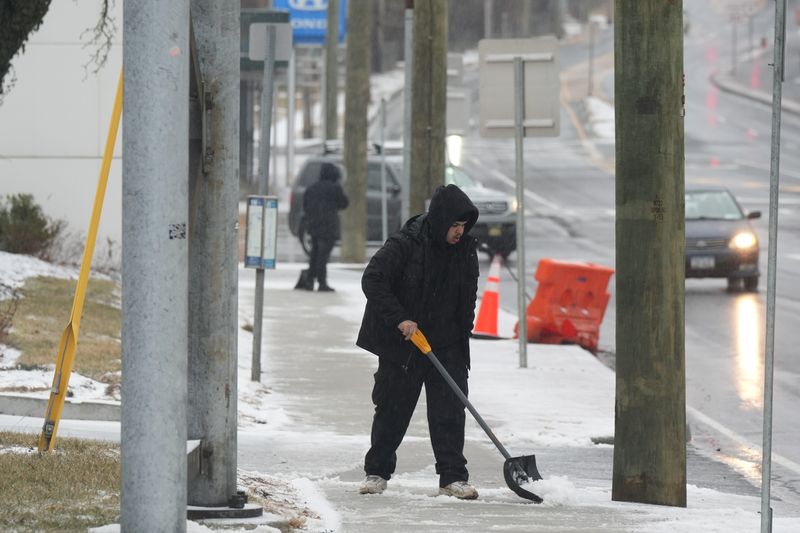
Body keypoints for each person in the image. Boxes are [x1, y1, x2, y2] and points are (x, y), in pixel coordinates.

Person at [356, 184, 480, 500]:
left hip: (448, 343)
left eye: (463, 226)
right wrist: (400, 318)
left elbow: (469, 292)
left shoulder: (465, 249)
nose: (459, 232)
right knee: (392, 409)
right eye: (454, 225)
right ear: (440, 222)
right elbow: (373, 279)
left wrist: (465, 326)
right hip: (406, 344)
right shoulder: (405, 244)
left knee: (450, 411)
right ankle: (377, 472)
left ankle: (453, 477)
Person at [295, 163, 348, 292]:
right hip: (329, 227)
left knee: (315, 253)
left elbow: (306, 206)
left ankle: (309, 279)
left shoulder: (312, 188)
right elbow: (344, 203)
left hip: (314, 226)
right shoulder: (335, 188)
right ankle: (321, 282)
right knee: (323, 256)